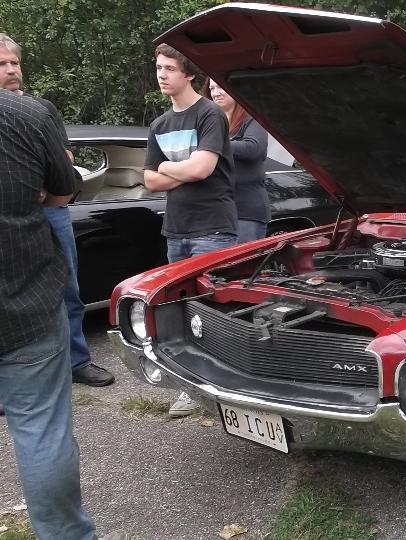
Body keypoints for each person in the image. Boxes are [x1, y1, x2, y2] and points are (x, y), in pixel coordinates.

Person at [0, 67, 98, 539]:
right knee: (41, 430)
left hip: (27, 306)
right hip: (26, 304)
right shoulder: (26, 115)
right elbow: (62, 191)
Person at [0, 33, 115, 386]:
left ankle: (76, 361)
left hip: (51, 214)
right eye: (2, 64)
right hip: (9, 218)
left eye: (14, 62)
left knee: (68, 290)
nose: (11, 70)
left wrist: (39, 189)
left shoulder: (41, 110)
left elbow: (64, 163)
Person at [143, 44, 236, 418]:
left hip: (212, 227)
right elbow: (149, 180)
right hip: (176, 229)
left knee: (211, 310)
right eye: (158, 68)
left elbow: (202, 170)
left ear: (189, 74)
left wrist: (168, 169)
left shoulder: (209, 114)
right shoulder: (159, 125)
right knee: (177, 313)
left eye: (169, 68)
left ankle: (226, 387)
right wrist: (177, 171)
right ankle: (189, 387)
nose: (162, 75)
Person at [203, 77, 271, 243]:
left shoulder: (252, 118)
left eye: (220, 87)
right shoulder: (209, 122)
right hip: (215, 212)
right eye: (212, 89)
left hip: (246, 211)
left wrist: (214, 144)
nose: (216, 93)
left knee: (243, 260)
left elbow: (253, 148)